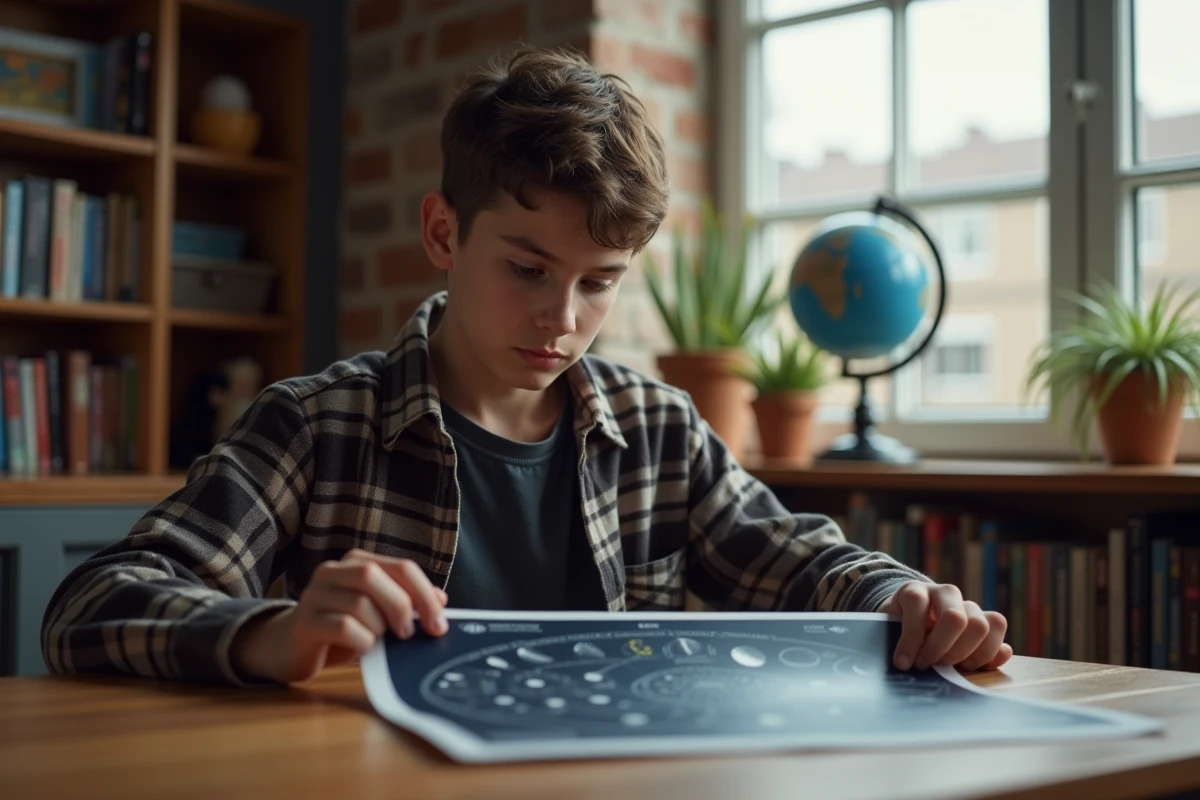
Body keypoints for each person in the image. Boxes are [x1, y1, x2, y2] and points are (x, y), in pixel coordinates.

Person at [41, 47, 1010, 687]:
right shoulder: (316, 424)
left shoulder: (659, 431)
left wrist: (904, 596)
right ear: (442, 230)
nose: (562, 318)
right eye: (527, 268)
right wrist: (274, 630)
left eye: (601, 282)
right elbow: (91, 603)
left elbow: (796, 555)